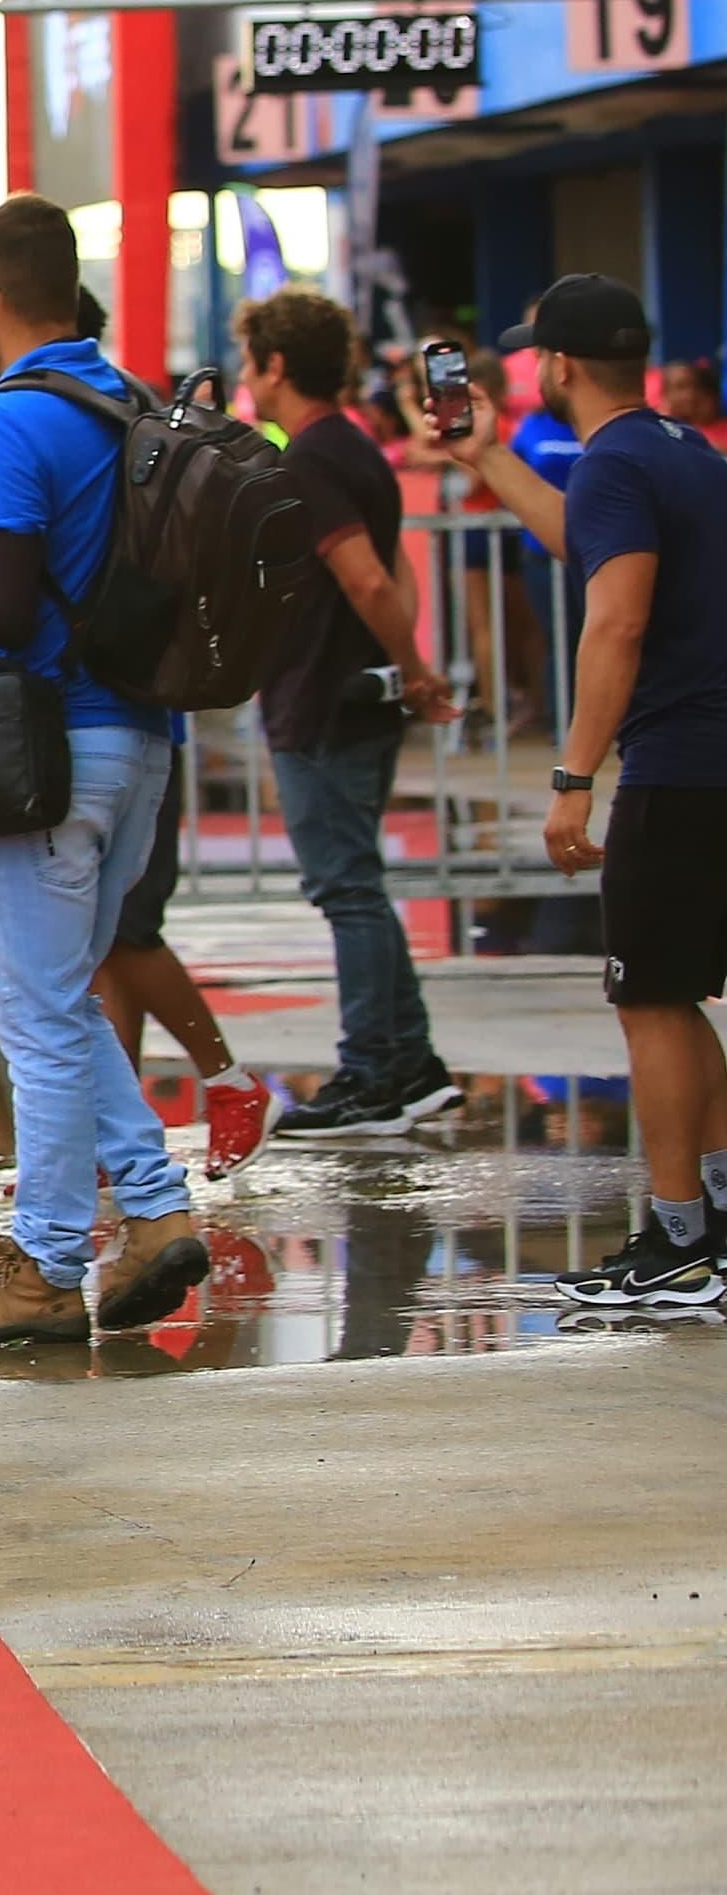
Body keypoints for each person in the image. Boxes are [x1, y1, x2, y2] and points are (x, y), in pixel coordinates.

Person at [0, 197, 211, 1345]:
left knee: (37, 1019)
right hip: (137, 742)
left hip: (45, 750)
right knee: (61, 1000)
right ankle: (157, 1217)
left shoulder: (10, 415)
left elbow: (9, 611)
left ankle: (45, 1266)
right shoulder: (121, 399)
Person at [423, 276, 727, 1309]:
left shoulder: (611, 465)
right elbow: (585, 540)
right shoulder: (678, 451)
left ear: (555, 365)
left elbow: (616, 621)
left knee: (647, 997)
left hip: (676, 766)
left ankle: (679, 1237)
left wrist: (571, 776)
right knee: (675, 995)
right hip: (709, 762)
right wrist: (485, 458)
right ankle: (709, 1229)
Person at [238, 290, 458, 1150]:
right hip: (353, 692)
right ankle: (409, 1062)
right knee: (356, 881)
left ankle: (372, 1068)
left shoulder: (311, 460)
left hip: (322, 696)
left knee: (346, 888)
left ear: (278, 366)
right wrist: (406, 666)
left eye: (253, 361)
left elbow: (366, 577)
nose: (248, 379)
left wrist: (416, 668)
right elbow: (394, 571)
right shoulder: (355, 449)